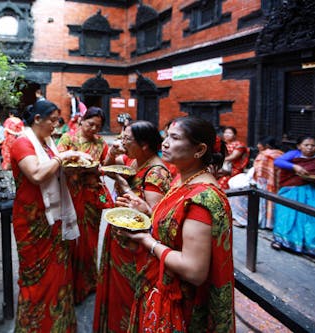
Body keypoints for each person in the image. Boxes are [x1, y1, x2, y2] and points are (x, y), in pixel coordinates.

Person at [119, 116, 235, 332]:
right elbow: (174, 226)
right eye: (166, 136)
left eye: (174, 138)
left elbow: (194, 270)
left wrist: (148, 241)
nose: (164, 143)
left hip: (180, 304)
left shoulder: (201, 199)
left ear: (199, 150)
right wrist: (147, 211)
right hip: (160, 286)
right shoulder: (182, 179)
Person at [10, 99, 92, 332]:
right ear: (37, 119)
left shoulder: (46, 142)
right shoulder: (22, 143)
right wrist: (62, 158)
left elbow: (55, 171)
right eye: (53, 121)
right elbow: (36, 174)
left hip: (54, 218)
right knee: (34, 278)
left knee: (58, 273)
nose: (56, 126)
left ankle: (59, 325)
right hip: (32, 220)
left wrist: (72, 162)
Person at [93, 120, 172, 333]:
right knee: (116, 290)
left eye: (127, 139)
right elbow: (107, 169)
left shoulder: (156, 172)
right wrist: (112, 152)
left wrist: (126, 188)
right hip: (121, 232)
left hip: (135, 244)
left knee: (128, 293)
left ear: (144, 144)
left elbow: (156, 217)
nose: (123, 142)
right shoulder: (135, 160)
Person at [57, 106, 114, 304]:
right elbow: (58, 164)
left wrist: (111, 156)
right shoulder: (67, 139)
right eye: (90, 124)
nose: (93, 130)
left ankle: (89, 282)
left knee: (90, 240)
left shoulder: (100, 142)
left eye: (97, 127)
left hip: (91, 195)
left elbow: (105, 165)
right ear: (81, 120)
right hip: (71, 193)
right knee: (72, 238)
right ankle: (71, 283)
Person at [271, 135, 315, 259]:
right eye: (306, 145)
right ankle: (282, 241)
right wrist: (295, 166)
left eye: (313, 145)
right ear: (299, 146)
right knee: (287, 212)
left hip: (314, 190)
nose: (310, 148)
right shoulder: (293, 154)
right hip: (292, 188)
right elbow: (278, 161)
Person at [229, 136, 284, 229]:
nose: (258, 145)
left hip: (262, 185)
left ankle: (243, 219)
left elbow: (259, 175)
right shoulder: (281, 154)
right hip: (277, 185)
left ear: (266, 145)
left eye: (259, 143)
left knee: (238, 192)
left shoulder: (263, 155)